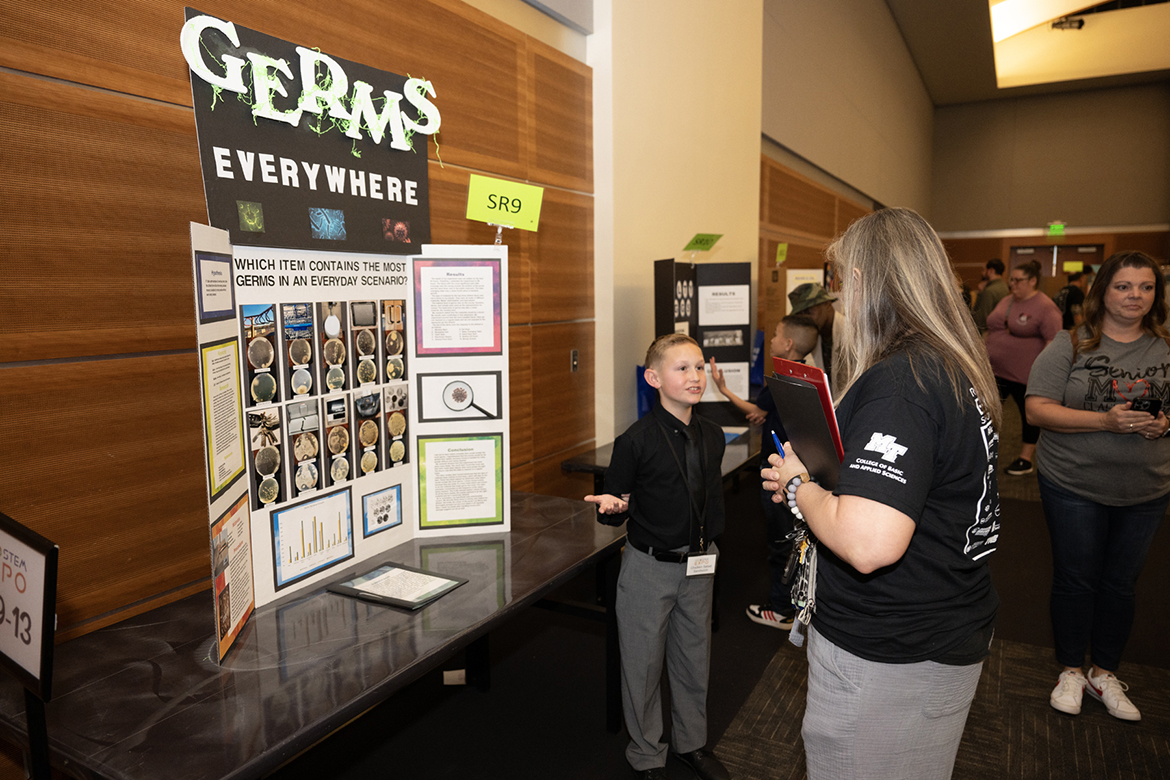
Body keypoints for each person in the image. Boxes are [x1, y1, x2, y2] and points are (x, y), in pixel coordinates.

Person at [761, 208, 1002, 780]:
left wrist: (799, 485)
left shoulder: (902, 382)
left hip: (892, 649)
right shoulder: (951, 364)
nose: (838, 299)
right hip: (937, 627)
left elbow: (869, 542)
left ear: (869, 279)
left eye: (842, 280)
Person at [1025, 250, 1170, 723]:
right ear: (1103, 291)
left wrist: (1163, 425)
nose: (1135, 296)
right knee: (1075, 578)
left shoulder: (1165, 346)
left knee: (1121, 585)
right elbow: (1037, 410)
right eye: (1124, 286)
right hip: (1073, 483)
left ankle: (1103, 673)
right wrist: (1105, 421)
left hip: (1146, 488)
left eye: (1146, 287)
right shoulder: (1072, 343)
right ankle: (1070, 669)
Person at [586, 333, 731, 780]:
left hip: (701, 564)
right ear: (654, 378)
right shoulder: (635, 440)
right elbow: (616, 505)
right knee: (643, 664)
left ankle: (690, 744)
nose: (694, 376)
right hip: (650, 567)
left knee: (693, 659)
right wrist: (614, 507)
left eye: (699, 367)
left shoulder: (712, 434)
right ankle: (647, 753)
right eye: (681, 368)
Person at [710, 314, 819, 630]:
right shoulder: (808, 375)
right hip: (798, 473)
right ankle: (796, 604)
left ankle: (783, 610)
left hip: (781, 476)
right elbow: (762, 413)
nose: (769, 340)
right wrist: (726, 390)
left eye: (775, 334)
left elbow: (759, 411)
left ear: (787, 344)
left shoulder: (784, 379)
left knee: (780, 544)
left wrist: (725, 391)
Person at [984, 260, 1062, 475]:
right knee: (986, 413)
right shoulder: (1007, 300)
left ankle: (1025, 459)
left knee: (1028, 416)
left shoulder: (1045, 307)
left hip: (1026, 375)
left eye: (1018, 280)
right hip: (996, 371)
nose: (1013, 284)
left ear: (1033, 281)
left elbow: (1053, 343)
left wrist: (1045, 375)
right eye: (1011, 280)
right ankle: (982, 452)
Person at [788, 283, 847, 397]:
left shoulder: (850, 332)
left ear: (827, 303)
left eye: (809, 311)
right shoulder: (811, 336)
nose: (806, 318)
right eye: (801, 314)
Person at [971, 258, 1009, 332]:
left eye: (984, 270)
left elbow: (981, 319)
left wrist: (981, 295)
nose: (982, 273)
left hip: (987, 333)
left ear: (991, 270)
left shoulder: (989, 291)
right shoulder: (1004, 287)